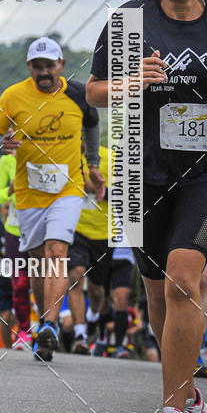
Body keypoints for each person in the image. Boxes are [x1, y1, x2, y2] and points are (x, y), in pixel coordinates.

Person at [87, 0, 207, 413]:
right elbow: (94, 93)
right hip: (139, 170)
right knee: (158, 292)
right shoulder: (129, 22)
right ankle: (188, 397)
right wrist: (129, 81)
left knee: (185, 277)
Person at [0, 37, 104, 362]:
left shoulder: (79, 93)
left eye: (49, 65)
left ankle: (50, 325)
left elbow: (92, 125)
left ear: (61, 65)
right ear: (30, 68)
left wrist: (93, 164)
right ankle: (42, 324)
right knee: (38, 262)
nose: (44, 72)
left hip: (68, 189)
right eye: (38, 67)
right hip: (29, 194)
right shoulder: (14, 95)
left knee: (56, 252)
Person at [66, 144, 136, 358]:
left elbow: (128, 195)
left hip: (104, 235)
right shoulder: (66, 154)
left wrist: (98, 190)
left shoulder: (112, 158)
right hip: (75, 229)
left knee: (97, 292)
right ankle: (80, 335)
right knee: (76, 276)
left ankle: (92, 317)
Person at [0, 160, 32, 350]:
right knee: (6, 314)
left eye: (8, 207)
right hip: (2, 275)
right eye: (5, 208)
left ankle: (33, 332)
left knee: (25, 295)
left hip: (37, 230)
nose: (6, 210)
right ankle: (12, 343)